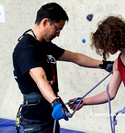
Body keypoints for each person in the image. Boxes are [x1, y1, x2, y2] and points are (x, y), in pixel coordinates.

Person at [12, 2, 113, 133]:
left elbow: (76, 58)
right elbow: (40, 78)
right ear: (45, 22)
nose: (58, 34)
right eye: (58, 29)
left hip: (49, 115)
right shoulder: (26, 48)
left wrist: (105, 65)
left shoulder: (45, 44)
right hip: (35, 119)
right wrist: (55, 102)